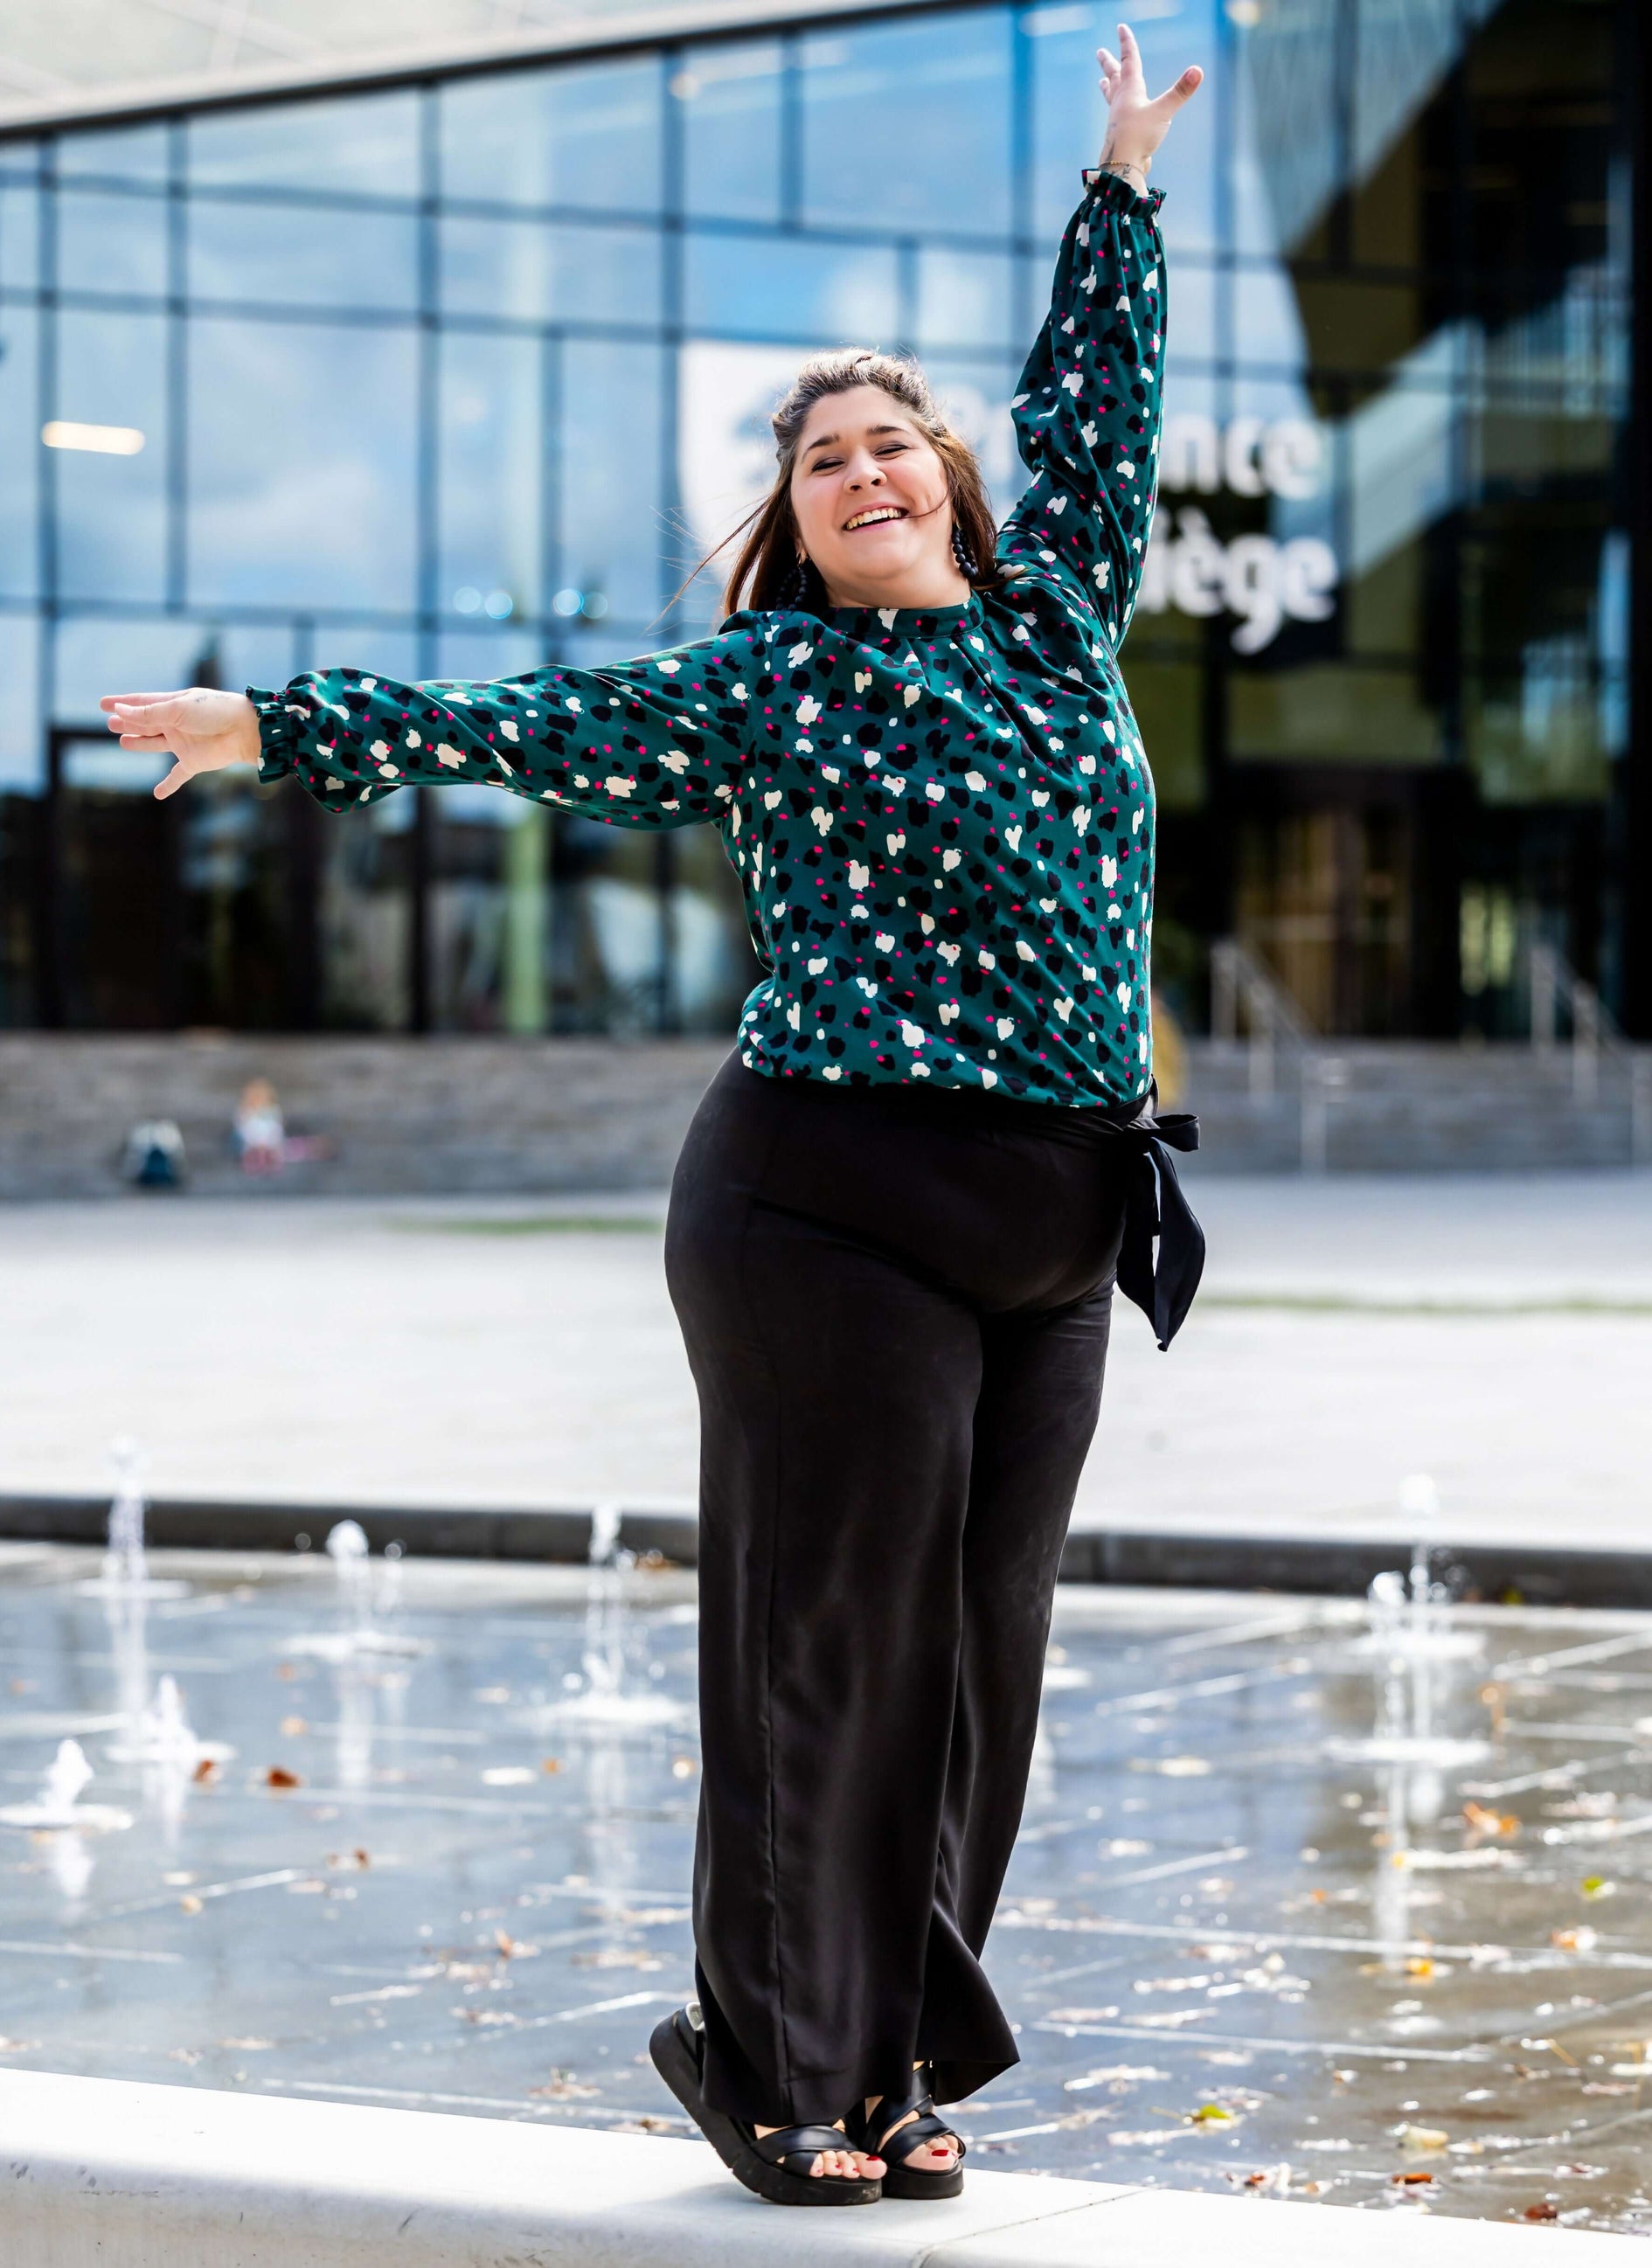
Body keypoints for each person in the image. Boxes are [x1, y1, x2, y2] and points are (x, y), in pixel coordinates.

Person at [102, 24, 1204, 2210]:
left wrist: (1120, 189)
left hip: (1064, 1219)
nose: (864, 471)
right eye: (823, 463)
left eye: (892, 444)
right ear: (795, 523)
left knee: (977, 1664)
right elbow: (531, 720)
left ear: (953, 483)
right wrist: (277, 726)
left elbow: (1096, 397)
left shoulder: (1062, 612)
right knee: (836, 1639)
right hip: (832, 1203)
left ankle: (888, 2062)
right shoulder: (771, 686)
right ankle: (777, 2062)